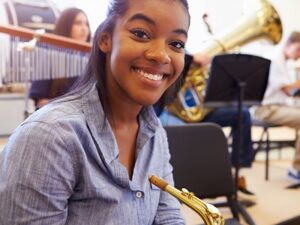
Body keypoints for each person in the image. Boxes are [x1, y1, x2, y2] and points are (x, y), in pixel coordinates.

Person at [0, 0, 190, 224]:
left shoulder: (155, 132)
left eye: (176, 44)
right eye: (141, 33)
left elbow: (168, 215)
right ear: (105, 39)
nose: (161, 55)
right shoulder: (49, 137)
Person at [156, 52, 255, 195]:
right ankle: (191, 185)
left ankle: (235, 168)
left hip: (199, 112)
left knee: (242, 113)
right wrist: (189, 59)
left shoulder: (195, 51)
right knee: (185, 135)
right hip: (173, 112)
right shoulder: (180, 52)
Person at [253, 31, 300, 182]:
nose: (299, 54)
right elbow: (289, 91)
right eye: (299, 49)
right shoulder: (275, 59)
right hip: (266, 109)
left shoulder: (283, 61)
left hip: (277, 107)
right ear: (288, 44)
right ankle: (296, 169)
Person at [29, 7, 91, 109]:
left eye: (86, 24)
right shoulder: (50, 56)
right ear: (65, 26)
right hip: (57, 120)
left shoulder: (91, 59)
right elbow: (41, 102)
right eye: (78, 23)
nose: (84, 28)